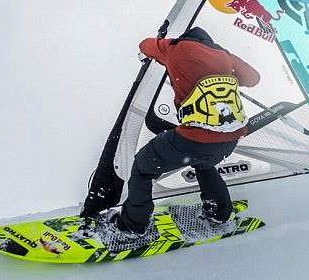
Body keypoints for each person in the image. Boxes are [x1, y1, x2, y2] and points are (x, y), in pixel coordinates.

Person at [110, 26, 260, 235]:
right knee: (205, 166)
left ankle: (132, 225)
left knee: (143, 168)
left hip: (195, 139)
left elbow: (145, 45)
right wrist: (228, 66)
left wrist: (167, 51)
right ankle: (219, 214)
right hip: (229, 138)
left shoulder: (176, 48)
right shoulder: (225, 56)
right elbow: (254, 78)